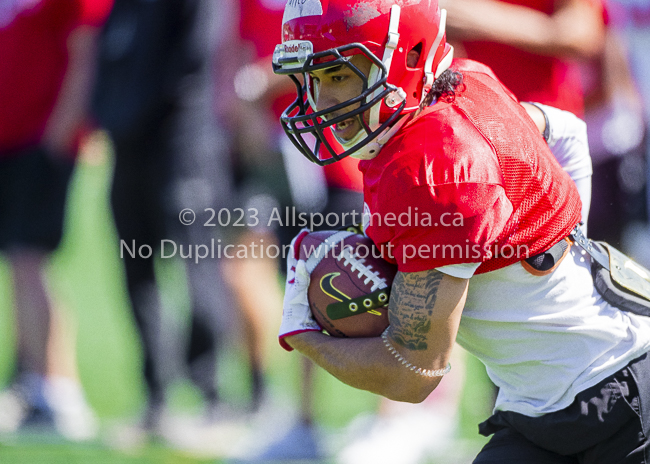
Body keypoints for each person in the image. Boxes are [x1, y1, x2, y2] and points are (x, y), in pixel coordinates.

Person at [271, 0, 650, 462]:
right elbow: (567, 129)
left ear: (404, 56)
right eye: (312, 78)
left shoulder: (436, 172)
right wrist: (565, 239)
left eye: (337, 75)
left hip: (617, 397)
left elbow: (412, 373)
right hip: (546, 403)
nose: (320, 101)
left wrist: (301, 330)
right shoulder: (467, 83)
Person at [93, 0, 235, 431]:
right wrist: (108, 117)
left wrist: (133, 113)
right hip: (127, 148)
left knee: (200, 270)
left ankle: (211, 393)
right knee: (136, 271)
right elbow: (110, 58)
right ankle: (155, 397)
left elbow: (193, 60)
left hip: (182, 147)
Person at [0, 0, 107, 440]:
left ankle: (56, 391)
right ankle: (32, 383)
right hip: (9, 142)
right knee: (18, 264)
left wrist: (64, 129)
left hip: (40, 139)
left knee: (30, 261)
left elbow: (87, 49)